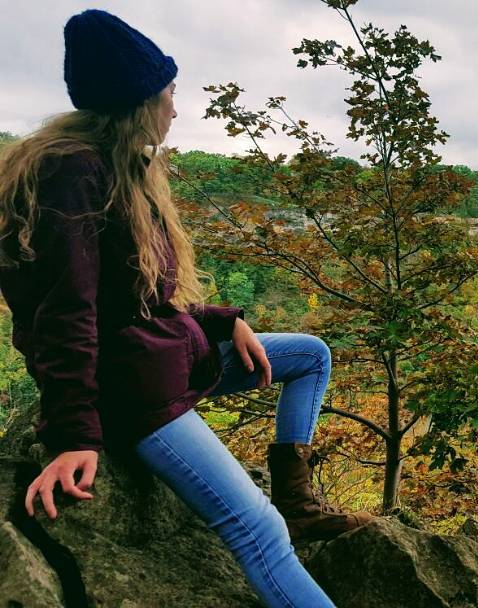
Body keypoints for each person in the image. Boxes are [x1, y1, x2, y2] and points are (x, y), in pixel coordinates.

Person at [0, 9, 372, 607]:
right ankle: (286, 523)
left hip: (158, 360)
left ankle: (299, 504)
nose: (175, 108)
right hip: (134, 391)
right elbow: (65, 313)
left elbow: (133, 299)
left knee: (310, 355)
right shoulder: (73, 173)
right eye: (169, 93)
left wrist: (224, 321)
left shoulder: (118, 166)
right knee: (258, 530)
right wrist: (75, 434)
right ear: (138, 100)